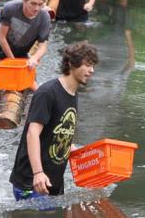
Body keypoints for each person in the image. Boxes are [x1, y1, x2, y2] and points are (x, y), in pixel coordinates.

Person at [8, 42, 99, 200]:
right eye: (88, 65)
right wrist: (38, 173)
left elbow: (58, 133)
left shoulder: (72, 93)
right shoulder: (47, 93)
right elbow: (32, 133)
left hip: (53, 180)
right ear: (71, 64)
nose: (92, 71)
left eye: (93, 66)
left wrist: (82, 157)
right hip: (32, 181)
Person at [0, 0, 52, 91]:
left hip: (21, 54)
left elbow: (43, 46)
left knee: (31, 85)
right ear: (24, 1)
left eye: (40, 4)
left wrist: (34, 58)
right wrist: (12, 61)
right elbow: (1, 37)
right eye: (33, 4)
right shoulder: (10, 8)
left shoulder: (44, 17)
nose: (37, 8)